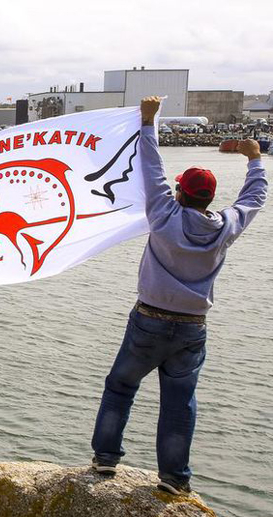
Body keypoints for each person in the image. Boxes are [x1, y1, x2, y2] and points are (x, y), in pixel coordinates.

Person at [91, 96, 267, 495]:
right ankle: (173, 478)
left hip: (149, 320)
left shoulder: (164, 214)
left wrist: (149, 122)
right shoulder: (224, 228)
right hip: (191, 327)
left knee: (120, 387)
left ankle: (105, 459)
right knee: (179, 404)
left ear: (180, 192)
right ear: (208, 198)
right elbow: (253, 199)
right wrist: (255, 159)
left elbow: (150, 167)